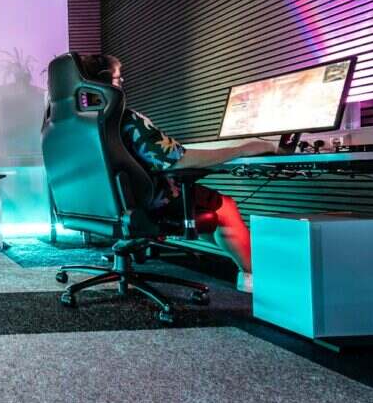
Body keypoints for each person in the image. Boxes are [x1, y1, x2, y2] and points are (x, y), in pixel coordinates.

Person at [75, 54, 278, 293]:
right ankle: (259, 281)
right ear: (105, 82)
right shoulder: (124, 119)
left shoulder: (79, 123)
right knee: (225, 207)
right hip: (147, 201)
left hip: (101, 203)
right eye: (119, 78)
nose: (122, 83)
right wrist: (242, 149)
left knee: (207, 213)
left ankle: (247, 268)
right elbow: (176, 160)